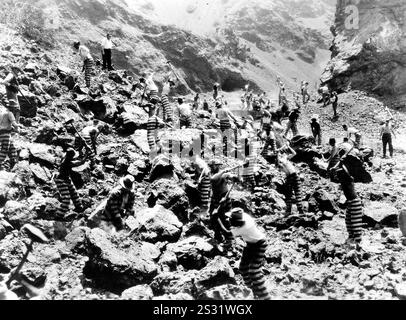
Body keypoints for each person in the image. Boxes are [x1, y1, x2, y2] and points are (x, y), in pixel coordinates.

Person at [224, 208, 271, 300]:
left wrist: (217, 219)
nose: (228, 220)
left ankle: (265, 297)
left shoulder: (244, 227)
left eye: (231, 219)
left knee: (254, 271)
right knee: (243, 268)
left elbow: (227, 234)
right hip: (250, 244)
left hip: (260, 245)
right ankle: (252, 291)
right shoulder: (245, 217)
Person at [333, 164, 363, 246]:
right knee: (348, 221)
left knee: (355, 222)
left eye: (338, 175)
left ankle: (357, 241)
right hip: (350, 202)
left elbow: (346, 171)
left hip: (355, 202)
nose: (337, 176)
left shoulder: (349, 180)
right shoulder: (343, 182)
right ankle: (351, 238)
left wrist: (341, 163)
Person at [209, 160, 237, 245]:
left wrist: (236, 177)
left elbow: (232, 177)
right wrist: (224, 171)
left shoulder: (224, 175)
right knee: (214, 217)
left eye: (212, 166)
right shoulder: (213, 174)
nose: (210, 168)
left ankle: (229, 239)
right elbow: (213, 179)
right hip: (215, 199)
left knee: (225, 219)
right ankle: (218, 236)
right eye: (210, 166)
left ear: (217, 166)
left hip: (224, 199)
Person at [54, 148, 84, 218]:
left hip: (67, 179)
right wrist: (86, 157)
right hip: (61, 181)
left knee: (74, 194)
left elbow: (77, 159)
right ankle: (59, 216)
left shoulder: (66, 158)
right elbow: (79, 163)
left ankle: (79, 208)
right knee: (66, 199)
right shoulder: (67, 162)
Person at [276, 151, 304, 215]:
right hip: (292, 176)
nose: (283, 153)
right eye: (281, 154)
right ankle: (298, 210)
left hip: (293, 176)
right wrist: (278, 154)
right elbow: (280, 161)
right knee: (294, 193)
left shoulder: (283, 160)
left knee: (292, 193)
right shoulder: (282, 161)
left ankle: (292, 210)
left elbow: (294, 153)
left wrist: (288, 147)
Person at [0, 103, 19, 170]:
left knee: (11, 146)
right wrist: (18, 127)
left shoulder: (2, 113)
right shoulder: (10, 113)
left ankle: (13, 159)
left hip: (1, 134)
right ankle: (0, 162)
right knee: (4, 149)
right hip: (6, 134)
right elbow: (14, 124)